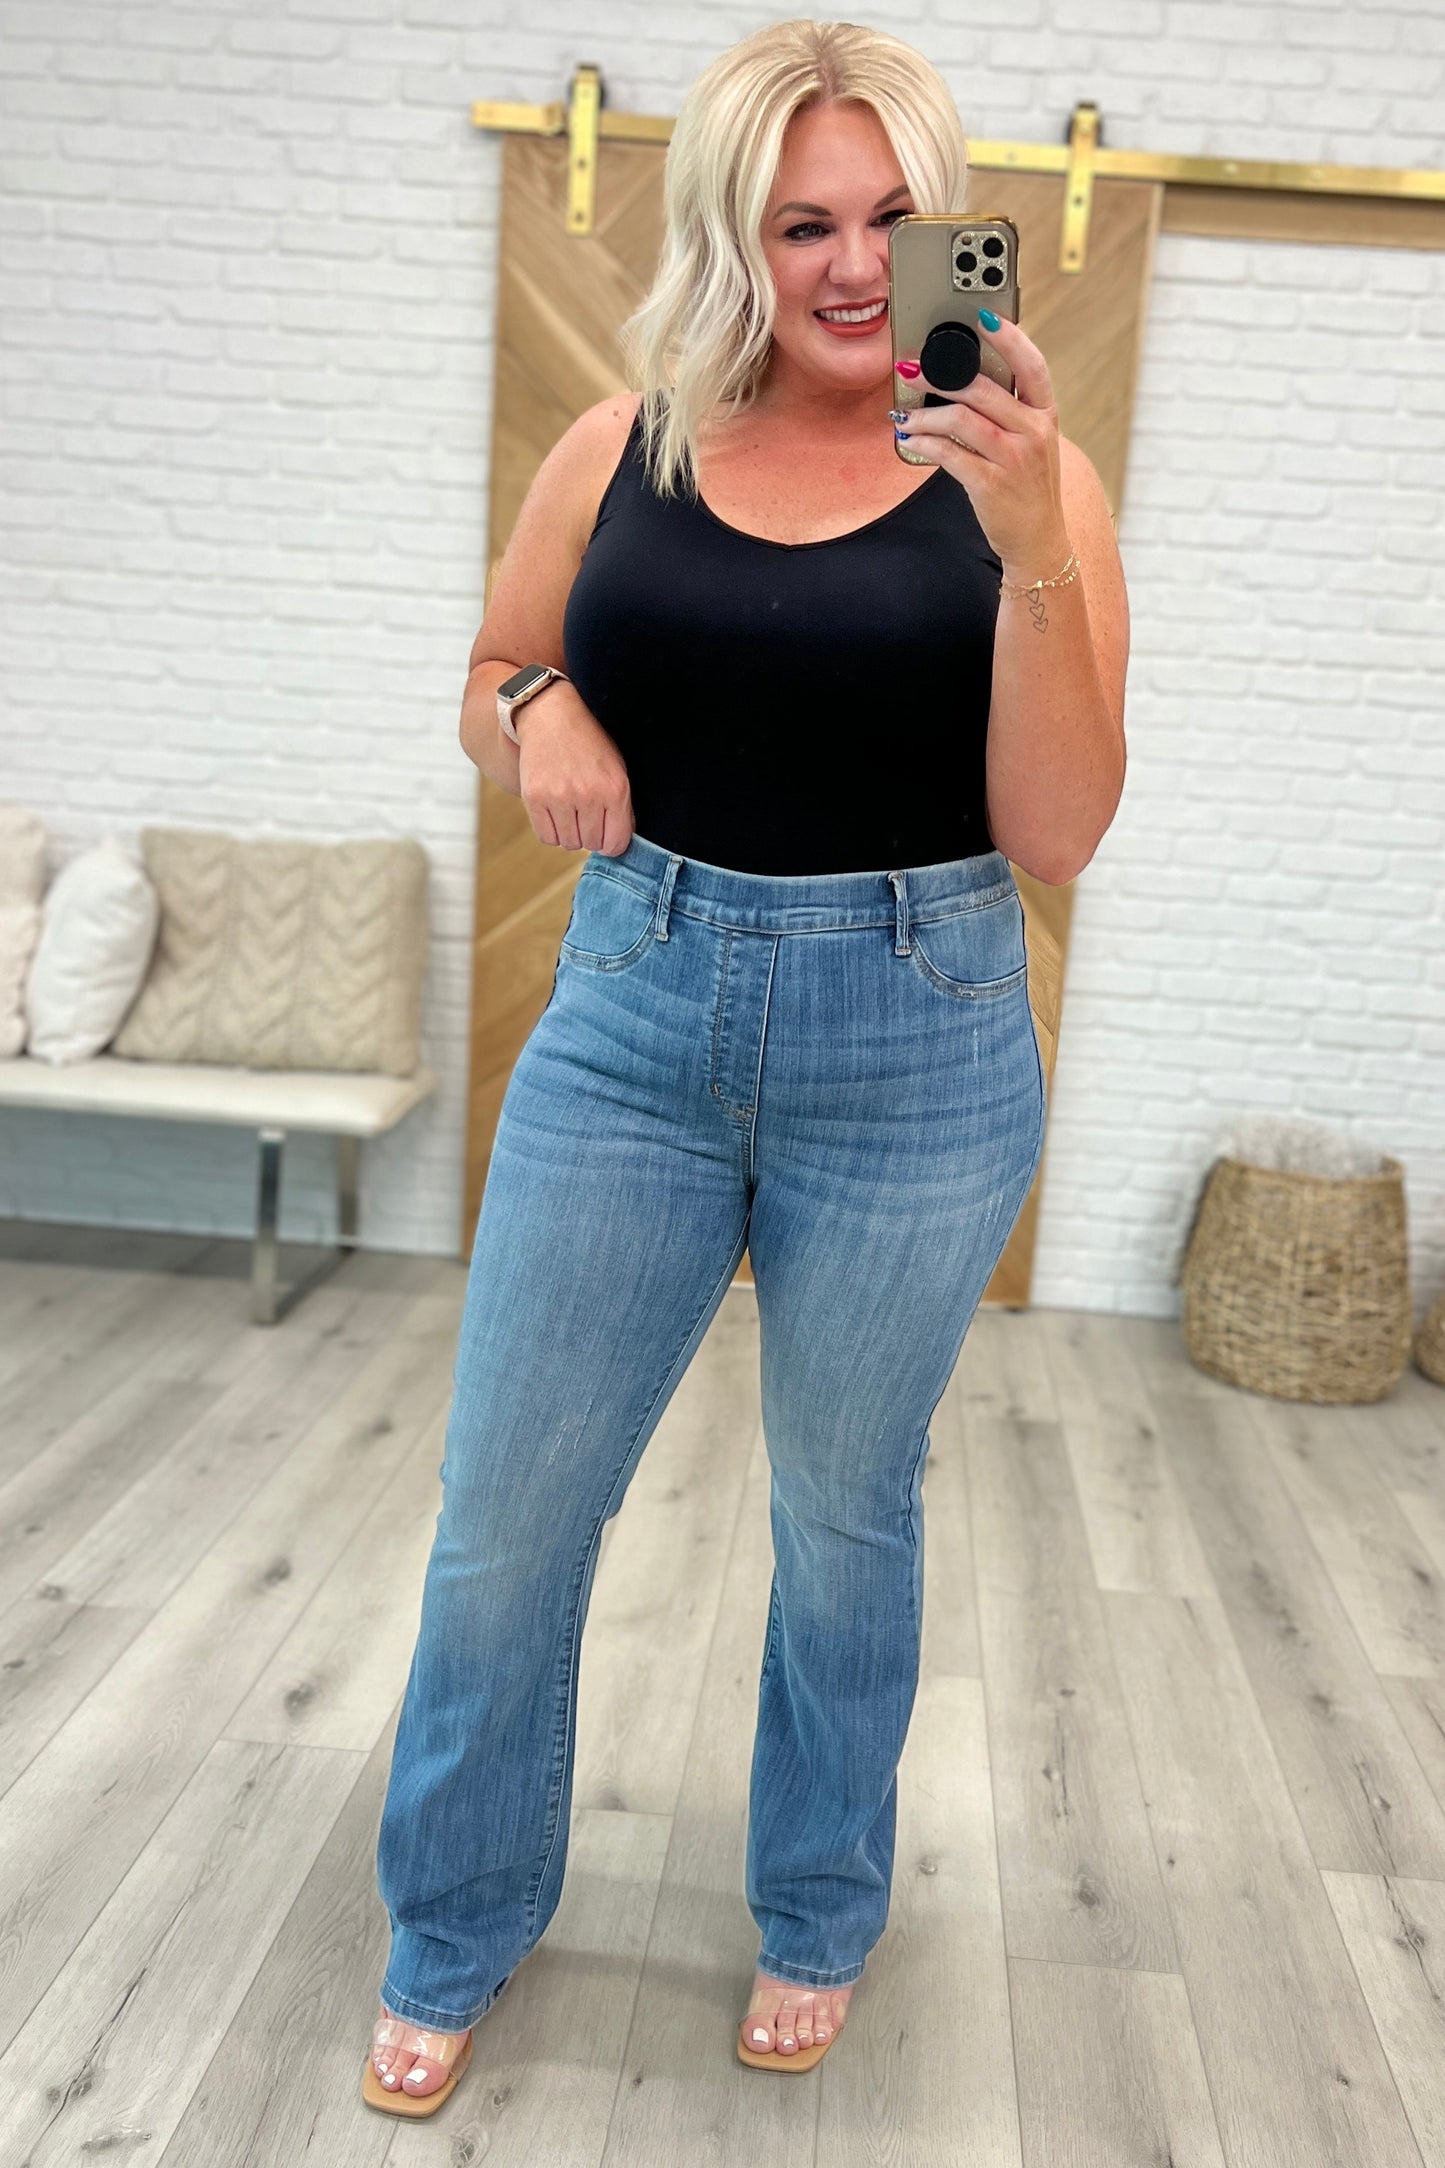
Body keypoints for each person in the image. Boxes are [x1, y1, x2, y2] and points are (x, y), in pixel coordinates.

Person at [364, 14, 1128, 2116]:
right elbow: (493, 664)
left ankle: (816, 1905)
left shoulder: (1031, 485)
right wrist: (536, 712)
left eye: (894, 218)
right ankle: (454, 1918)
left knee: (842, 1509)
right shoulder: (620, 445)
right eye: (804, 224)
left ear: (952, 228)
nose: (857, 267)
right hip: (635, 1013)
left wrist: (1031, 537)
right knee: (509, 1509)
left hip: (920, 1035)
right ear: (734, 233)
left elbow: (1059, 831)